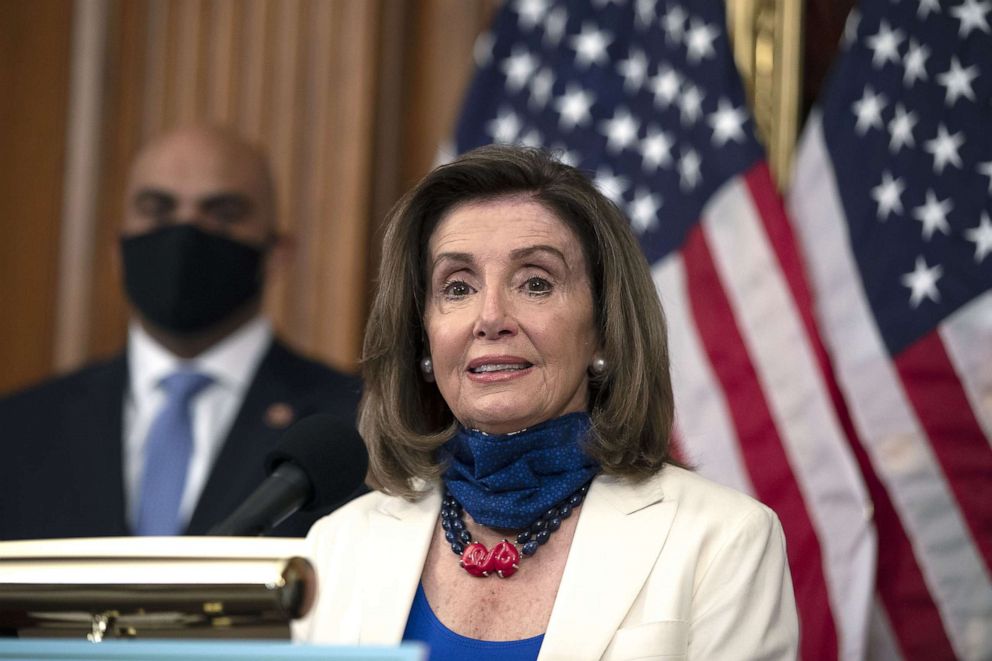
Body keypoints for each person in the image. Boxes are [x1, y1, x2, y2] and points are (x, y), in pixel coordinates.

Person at [294, 145, 798, 659]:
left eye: (535, 283)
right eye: (458, 287)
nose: (490, 317)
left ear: (603, 331)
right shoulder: (336, 547)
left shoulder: (722, 540)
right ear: (424, 338)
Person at [0, 125, 361, 540]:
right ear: (118, 250)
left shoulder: (355, 430)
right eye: (158, 209)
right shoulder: (18, 432)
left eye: (224, 213)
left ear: (277, 254)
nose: (186, 231)